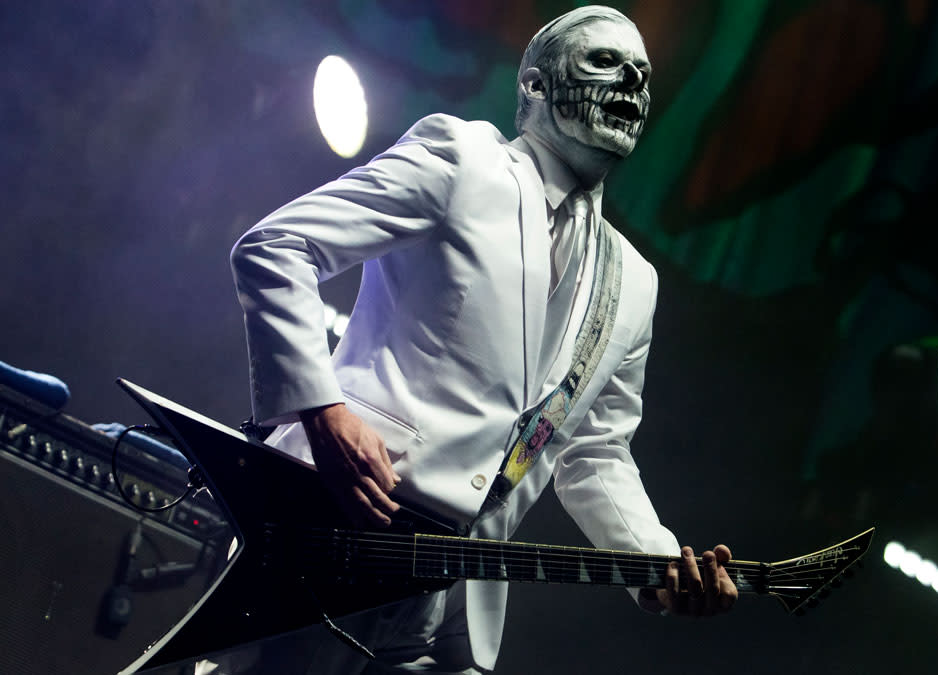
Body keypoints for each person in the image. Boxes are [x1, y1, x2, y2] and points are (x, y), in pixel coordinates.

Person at [230, 6, 735, 673]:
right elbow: (277, 248)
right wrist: (323, 412)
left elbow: (594, 455)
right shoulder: (464, 159)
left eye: (642, 77)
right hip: (336, 528)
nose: (631, 88)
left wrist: (656, 560)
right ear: (533, 84)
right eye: (605, 63)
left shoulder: (633, 282)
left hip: (456, 610)